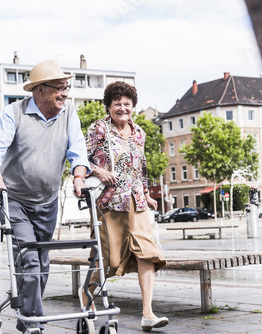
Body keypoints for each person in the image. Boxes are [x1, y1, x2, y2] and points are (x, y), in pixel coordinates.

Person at [0, 60, 90, 333]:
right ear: (40, 90)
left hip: (48, 201)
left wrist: (78, 177)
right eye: (59, 88)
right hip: (15, 199)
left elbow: (78, 151)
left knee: (41, 263)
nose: (64, 94)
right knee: (29, 258)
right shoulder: (14, 113)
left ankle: (26, 316)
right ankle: (34, 325)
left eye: (67, 88)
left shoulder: (68, 114)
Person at [84, 81, 169, 331]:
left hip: (136, 201)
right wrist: (99, 171)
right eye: (117, 103)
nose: (122, 107)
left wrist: (146, 192)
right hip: (108, 201)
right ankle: (87, 296)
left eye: (127, 104)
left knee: (147, 253)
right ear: (109, 106)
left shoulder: (139, 133)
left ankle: (148, 313)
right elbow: (82, 160)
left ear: (133, 106)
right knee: (107, 259)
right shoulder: (99, 129)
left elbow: (140, 168)